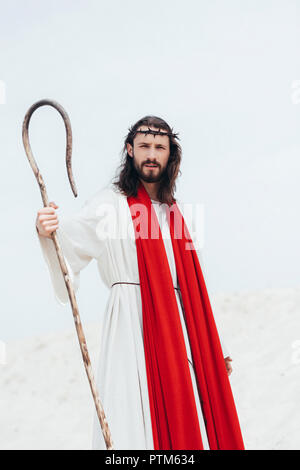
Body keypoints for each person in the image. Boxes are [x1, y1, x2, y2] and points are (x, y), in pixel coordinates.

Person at [35, 115, 244, 450]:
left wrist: (216, 348)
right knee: (131, 419)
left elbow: (196, 287)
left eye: (159, 147)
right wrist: (49, 231)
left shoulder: (176, 213)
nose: (151, 153)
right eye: (144, 146)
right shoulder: (110, 203)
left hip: (181, 332)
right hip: (132, 325)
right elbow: (71, 240)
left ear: (170, 155)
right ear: (129, 150)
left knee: (187, 414)